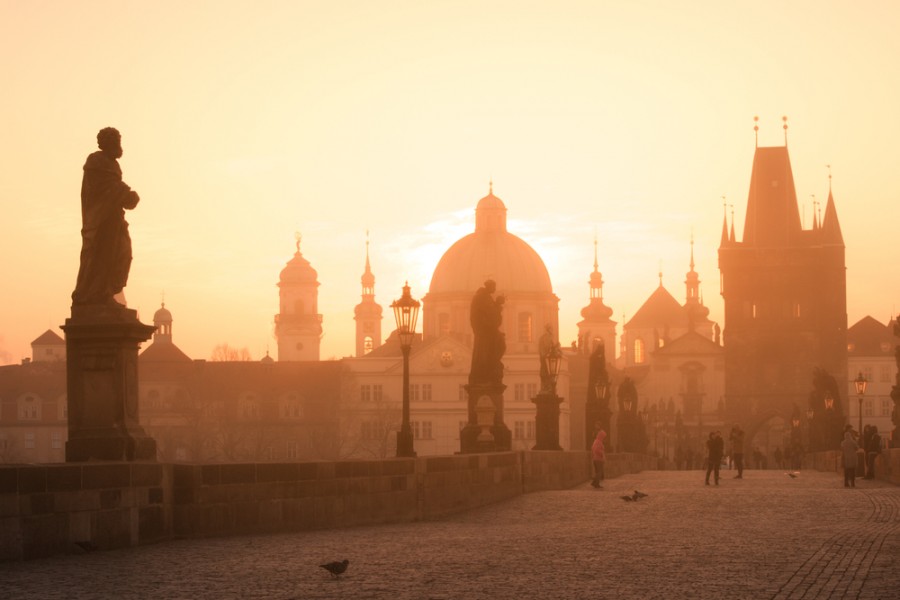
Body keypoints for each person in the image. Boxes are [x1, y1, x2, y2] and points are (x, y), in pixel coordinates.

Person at [72, 127, 141, 307]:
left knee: (123, 253)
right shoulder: (95, 161)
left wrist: (126, 194)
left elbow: (113, 186)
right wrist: (126, 194)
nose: (119, 145)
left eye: (119, 140)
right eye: (116, 141)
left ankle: (107, 293)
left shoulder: (112, 164)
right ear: (107, 143)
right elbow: (103, 188)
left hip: (115, 220)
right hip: (101, 222)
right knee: (103, 257)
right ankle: (97, 295)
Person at [468, 280, 506, 386]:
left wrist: (497, 304)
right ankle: (486, 373)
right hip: (484, 332)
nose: (495, 289)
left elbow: (491, 313)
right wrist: (497, 305)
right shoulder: (482, 297)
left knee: (500, 345)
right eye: (494, 287)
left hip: (488, 331)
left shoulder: (486, 297)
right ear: (489, 286)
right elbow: (490, 315)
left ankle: (490, 369)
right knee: (488, 352)